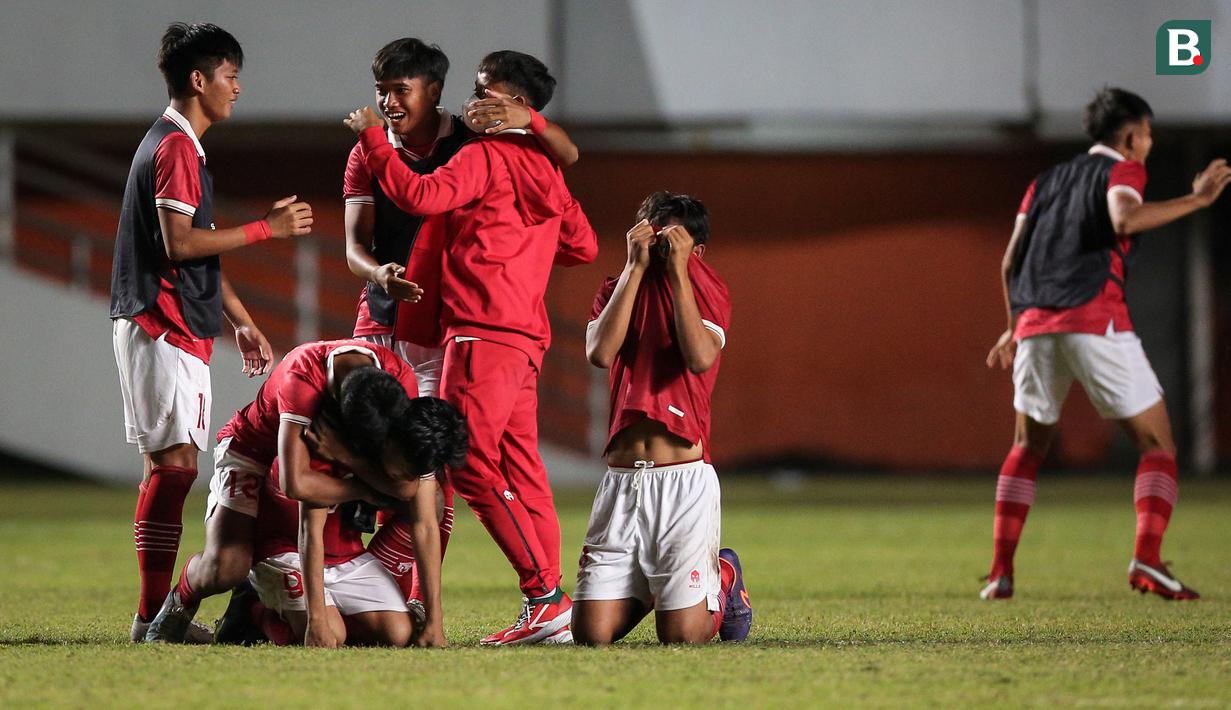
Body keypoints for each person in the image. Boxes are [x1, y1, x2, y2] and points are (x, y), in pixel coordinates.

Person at [344, 50, 598, 645]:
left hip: (479, 330)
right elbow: (582, 245)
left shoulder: (483, 156)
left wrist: (375, 144)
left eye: (486, 92)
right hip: (524, 334)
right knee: (522, 468)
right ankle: (548, 604)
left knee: (465, 460)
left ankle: (544, 595)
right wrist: (517, 246)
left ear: (514, 107)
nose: (472, 100)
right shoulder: (546, 171)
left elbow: (417, 196)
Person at [983, 87, 1231, 601]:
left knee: (1026, 448)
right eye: (1146, 134)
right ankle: (1147, 559)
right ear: (1128, 136)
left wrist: (1013, 323)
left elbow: (1010, 261)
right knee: (1158, 446)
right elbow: (1123, 218)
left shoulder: (1043, 182)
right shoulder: (1122, 172)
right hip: (1095, 320)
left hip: (1034, 326)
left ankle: (1001, 572)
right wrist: (1198, 199)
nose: (1149, 143)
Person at [110, 21, 313, 643]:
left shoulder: (184, 148)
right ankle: (152, 621)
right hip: (159, 322)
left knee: (173, 467)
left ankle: (155, 620)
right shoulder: (173, 147)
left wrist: (242, 321)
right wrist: (266, 230)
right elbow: (179, 243)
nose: (237, 88)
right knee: (171, 469)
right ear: (199, 80)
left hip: (181, 325)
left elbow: (196, 250)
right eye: (230, 75)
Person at [143, 340, 464, 646]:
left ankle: (341, 592)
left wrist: (353, 462)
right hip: (253, 451)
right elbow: (296, 484)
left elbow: (414, 494)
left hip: (324, 460)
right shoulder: (305, 382)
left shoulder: (397, 379)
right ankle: (190, 604)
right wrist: (368, 486)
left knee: (427, 498)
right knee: (228, 564)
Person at [572, 192, 751, 645]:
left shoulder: (708, 286)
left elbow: (698, 356)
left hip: (682, 481)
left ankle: (723, 578)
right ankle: (665, 587)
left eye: (669, 236)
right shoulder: (617, 287)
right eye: (650, 232)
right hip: (622, 482)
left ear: (697, 248)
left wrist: (677, 272)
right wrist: (634, 269)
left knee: (682, 640)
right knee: (590, 636)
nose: (657, 244)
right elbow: (599, 352)